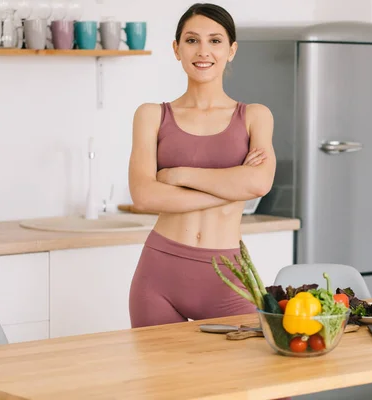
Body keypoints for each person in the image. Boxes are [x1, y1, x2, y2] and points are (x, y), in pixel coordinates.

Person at [127, 3, 276, 328]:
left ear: (232, 49)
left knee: (238, 379)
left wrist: (179, 175)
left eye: (215, 40)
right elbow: (144, 196)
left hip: (228, 275)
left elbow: (259, 184)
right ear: (176, 48)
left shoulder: (255, 116)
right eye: (192, 40)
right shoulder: (151, 115)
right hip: (159, 274)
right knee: (159, 380)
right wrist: (232, 189)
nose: (203, 51)